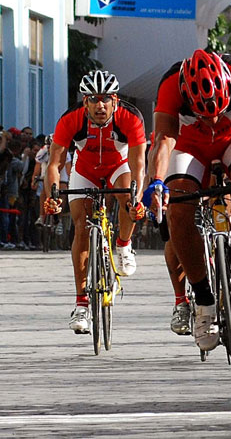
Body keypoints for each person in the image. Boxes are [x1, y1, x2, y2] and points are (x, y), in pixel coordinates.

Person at [143, 50, 231, 351]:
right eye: (203, 112)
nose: (212, 117)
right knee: (178, 205)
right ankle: (204, 304)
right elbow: (164, 140)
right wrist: (155, 181)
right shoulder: (170, 84)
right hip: (190, 145)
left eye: (218, 109)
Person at [43, 70, 146, 334]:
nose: (100, 105)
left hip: (118, 166)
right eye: (93, 99)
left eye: (105, 99)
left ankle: (123, 245)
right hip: (85, 170)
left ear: (115, 100)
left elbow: (138, 164)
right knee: (82, 227)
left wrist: (136, 197)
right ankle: (81, 304)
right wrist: (53, 196)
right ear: (85, 101)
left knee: (126, 197)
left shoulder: (130, 117)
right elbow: (53, 164)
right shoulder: (70, 119)